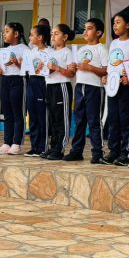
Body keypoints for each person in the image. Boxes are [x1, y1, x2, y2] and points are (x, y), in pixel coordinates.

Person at [65, 18, 108, 163]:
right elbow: (76, 70)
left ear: (99, 32)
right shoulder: (81, 50)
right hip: (80, 86)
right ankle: (76, 150)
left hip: (95, 88)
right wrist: (73, 68)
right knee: (79, 120)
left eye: (89, 28)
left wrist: (89, 68)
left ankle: (98, 153)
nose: (85, 31)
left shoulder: (101, 49)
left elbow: (106, 70)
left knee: (94, 121)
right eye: (84, 28)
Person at [102, 11, 129, 166]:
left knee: (125, 119)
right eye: (114, 23)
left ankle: (126, 152)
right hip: (112, 86)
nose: (115, 25)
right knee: (113, 119)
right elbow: (112, 64)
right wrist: (106, 75)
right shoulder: (114, 43)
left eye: (118, 22)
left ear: (128, 24)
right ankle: (113, 150)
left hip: (125, 87)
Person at [39, 23, 75, 160]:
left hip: (62, 86)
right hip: (50, 86)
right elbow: (46, 71)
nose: (53, 36)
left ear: (65, 37)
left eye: (56, 33)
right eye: (52, 33)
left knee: (61, 118)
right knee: (52, 118)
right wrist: (42, 69)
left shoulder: (67, 52)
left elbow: (71, 73)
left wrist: (57, 68)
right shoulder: (50, 53)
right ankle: (53, 146)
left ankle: (60, 148)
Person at [0, 22, 29, 155]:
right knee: (7, 113)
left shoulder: (24, 49)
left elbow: (27, 70)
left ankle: (17, 143)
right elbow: (3, 66)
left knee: (18, 112)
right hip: (6, 80)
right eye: (4, 31)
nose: (4, 33)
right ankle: (7, 142)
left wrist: (17, 63)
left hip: (18, 80)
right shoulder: (5, 49)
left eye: (7, 31)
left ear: (16, 34)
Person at [25, 24, 51, 158]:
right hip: (32, 82)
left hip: (43, 83)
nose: (29, 37)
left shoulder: (50, 52)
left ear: (40, 37)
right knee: (32, 115)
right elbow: (27, 69)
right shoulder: (31, 52)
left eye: (32, 34)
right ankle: (34, 146)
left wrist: (45, 66)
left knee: (42, 116)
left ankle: (43, 146)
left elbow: (50, 70)